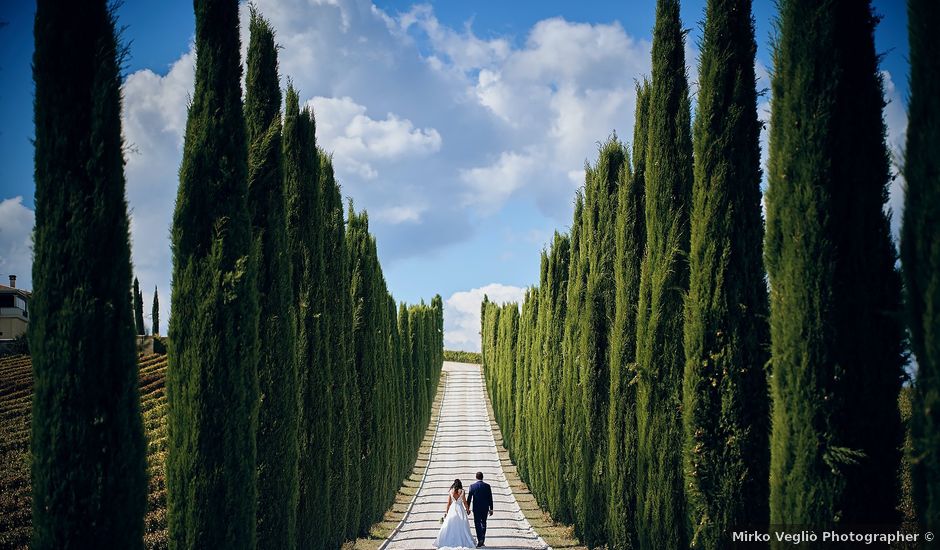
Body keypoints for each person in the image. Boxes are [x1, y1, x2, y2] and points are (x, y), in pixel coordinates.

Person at [433, 478, 476, 548]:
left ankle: (449, 540)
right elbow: (465, 502)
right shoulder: (462, 491)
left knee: (450, 524)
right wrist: (467, 509)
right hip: (460, 509)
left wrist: (447, 512)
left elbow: (449, 503)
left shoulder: (451, 491)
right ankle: (462, 540)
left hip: (452, 509)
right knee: (462, 525)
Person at [467, 472, 494, 547]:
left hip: (476, 508)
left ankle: (480, 539)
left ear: (476, 477)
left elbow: (469, 498)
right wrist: (491, 508)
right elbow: (490, 498)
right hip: (485, 508)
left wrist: (467, 508)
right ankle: (482, 539)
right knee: (484, 523)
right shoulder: (487, 486)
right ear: (482, 477)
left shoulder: (472, 486)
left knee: (477, 523)